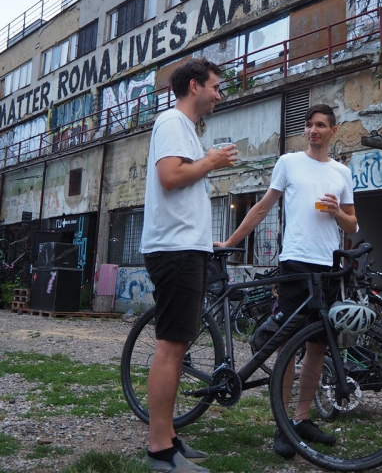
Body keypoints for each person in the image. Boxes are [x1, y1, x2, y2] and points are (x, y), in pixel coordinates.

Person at [214, 103, 357, 459]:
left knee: (319, 346)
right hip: (295, 263)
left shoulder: (342, 172)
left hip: (328, 267)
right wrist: (231, 243)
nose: (313, 130)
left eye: (321, 125)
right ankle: (282, 425)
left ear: (332, 131)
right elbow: (262, 207)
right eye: (309, 125)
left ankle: (301, 419)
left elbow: (353, 224)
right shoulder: (289, 162)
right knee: (289, 346)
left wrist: (338, 212)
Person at [140, 58, 237, 473]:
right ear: (194, 86)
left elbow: (181, 189)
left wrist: (204, 241)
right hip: (174, 250)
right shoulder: (172, 122)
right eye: (216, 87)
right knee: (171, 345)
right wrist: (211, 162)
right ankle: (159, 449)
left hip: (187, 246)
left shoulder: (186, 131)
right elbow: (169, 177)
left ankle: (170, 438)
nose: (220, 94)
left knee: (178, 346)